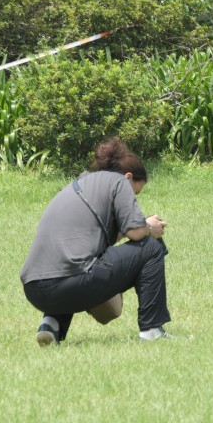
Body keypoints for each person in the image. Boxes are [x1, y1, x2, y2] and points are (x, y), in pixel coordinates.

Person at [21, 138, 172, 344]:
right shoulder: (118, 181)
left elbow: (92, 245)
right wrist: (149, 227)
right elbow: (136, 232)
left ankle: (51, 324)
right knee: (151, 248)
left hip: (35, 290)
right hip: (72, 284)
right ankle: (152, 330)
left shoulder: (78, 184)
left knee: (72, 263)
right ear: (128, 177)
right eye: (135, 193)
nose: (132, 198)